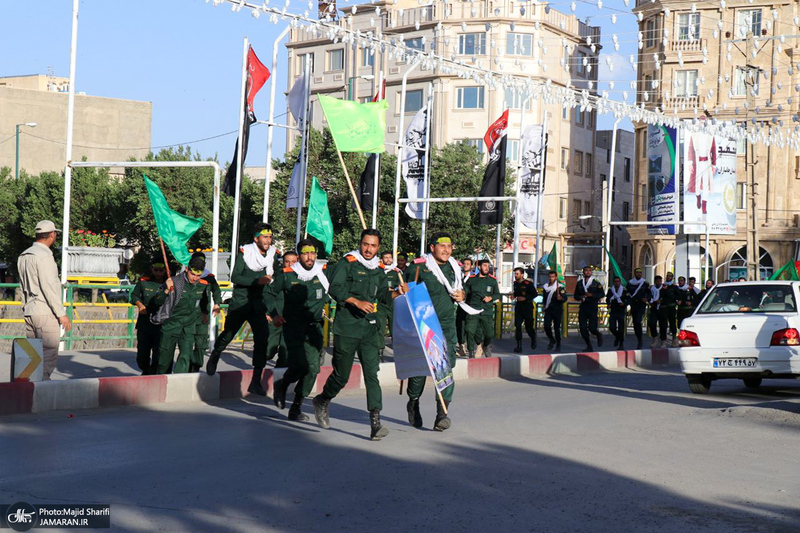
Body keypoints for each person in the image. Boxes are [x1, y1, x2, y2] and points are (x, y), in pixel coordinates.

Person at [312, 229, 403, 440]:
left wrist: (398, 293)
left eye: (373, 246)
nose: (368, 249)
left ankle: (375, 422)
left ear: (378, 247)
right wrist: (356, 301)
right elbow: (334, 289)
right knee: (341, 376)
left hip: (370, 330)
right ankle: (323, 400)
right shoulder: (348, 262)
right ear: (360, 243)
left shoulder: (379, 269)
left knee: (372, 374)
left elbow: (382, 293)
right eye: (365, 244)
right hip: (347, 328)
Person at [404, 232, 475, 431]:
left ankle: (442, 414)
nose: (446, 250)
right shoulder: (418, 267)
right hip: (424, 323)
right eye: (441, 246)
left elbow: (460, 291)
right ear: (432, 247)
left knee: (445, 367)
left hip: (446, 325)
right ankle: (413, 401)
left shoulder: (455, 267)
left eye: (449, 246)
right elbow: (406, 293)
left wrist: (463, 294)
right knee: (421, 368)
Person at [206, 223, 280, 397]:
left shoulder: (271, 256)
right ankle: (216, 352)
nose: (268, 240)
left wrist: (273, 310)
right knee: (229, 333)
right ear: (256, 239)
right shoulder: (245, 253)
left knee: (262, 340)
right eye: (265, 237)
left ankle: (256, 380)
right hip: (241, 302)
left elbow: (273, 280)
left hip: (258, 305)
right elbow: (235, 277)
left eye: (270, 237)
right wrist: (257, 280)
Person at [271, 240, 330, 422]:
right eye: (305, 253)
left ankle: (295, 407)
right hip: (294, 327)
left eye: (313, 253)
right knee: (300, 365)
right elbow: (270, 292)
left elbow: (338, 290)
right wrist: (274, 314)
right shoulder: (288, 274)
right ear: (299, 256)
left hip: (314, 329)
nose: (310, 257)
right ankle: (283, 384)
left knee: (313, 370)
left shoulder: (322, 273)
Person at [16, 220, 72, 380]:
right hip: (45, 311)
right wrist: (61, 313)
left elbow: (22, 285)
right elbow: (49, 287)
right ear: (52, 235)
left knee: (32, 356)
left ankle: (28, 389)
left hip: (30, 311)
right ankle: (41, 389)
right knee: (48, 354)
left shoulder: (24, 255)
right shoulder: (44, 256)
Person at [151, 254, 209, 374]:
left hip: (188, 326)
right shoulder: (174, 282)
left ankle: (178, 383)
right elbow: (157, 302)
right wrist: (166, 289)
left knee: (185, 356)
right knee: (164, 362)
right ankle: (163, 382)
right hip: (171, 325)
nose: (195, 278)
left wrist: (205, 312)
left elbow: (204, 300)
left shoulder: (202, 285)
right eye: (193, 274)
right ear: (187, 269)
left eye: (198, 275)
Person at [130, 257, 168, 375]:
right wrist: (140, 305)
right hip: (145, 323)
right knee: (142, 355)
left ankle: (152, 374)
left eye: (160, 271)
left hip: (161, 323)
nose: (158, 273)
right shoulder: (144, 281)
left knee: (158, 354)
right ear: (152, 269)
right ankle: (145, 370)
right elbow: (134, 295)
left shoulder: (169, 283)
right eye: (156, 270)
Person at [189, 252, 222, 373]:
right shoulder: (186, 276)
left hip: (202, 315)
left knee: (200, 343)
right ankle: (186, 366)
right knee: (187, 344)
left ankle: (195, 367)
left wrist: (217, 304)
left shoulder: (208, 277)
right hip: (187, 315)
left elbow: (216, 291)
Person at [266, 250, 297, 369]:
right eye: (287, 262)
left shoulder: (304, 277)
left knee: (285, 355)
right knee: (267, 352)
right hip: (275, 319)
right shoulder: (276, 277)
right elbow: (267, 295)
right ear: (283, 263)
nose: (290, 265)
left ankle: (278, 380)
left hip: (291, 322)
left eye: (293, 262)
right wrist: (268, 313)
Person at [464, 259, 501, 358]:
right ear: (479, 267)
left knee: (489, 334)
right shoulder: (471, 279)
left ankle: (486, 345)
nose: (487, 268)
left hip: (486, 311)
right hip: (473, 310)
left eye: (488, 266)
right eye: (484, 266)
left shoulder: (492, 281)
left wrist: (491, 298)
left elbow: (498, 295)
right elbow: (465, 291)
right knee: (469, 330)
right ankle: (471, 351)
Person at [377, 250, 403, 362]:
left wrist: (394, 290)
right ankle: (379, 351)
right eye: (385, 257)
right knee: (380, 328)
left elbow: (401, 286)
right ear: (381, 259)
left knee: (395, 329)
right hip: (381, 304)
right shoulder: (378, 271)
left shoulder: (396, 272)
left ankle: (397, 352)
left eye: (390, 257)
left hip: (393, 304)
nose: (388, 259)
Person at [573, 266, 604, 351]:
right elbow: (575, 296)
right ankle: (589, 346)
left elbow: (602, 294)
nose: (588, 272)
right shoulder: (579, 283)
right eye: (586, 271)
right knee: (583, 329)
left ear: (591, 272)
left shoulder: (596, 283)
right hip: (583, 307)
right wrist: (580, 297)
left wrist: (592, 295)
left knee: (592, 328)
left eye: (589, 271)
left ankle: (598, 335)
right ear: (583, 272)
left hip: (592, 307)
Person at [511, 267, 537, 353]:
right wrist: (513, 295)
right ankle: (519, 345)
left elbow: (534, 294)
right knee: (518, 326)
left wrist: (525, 298)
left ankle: (533, 338)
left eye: (517, 274)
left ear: (522, 274)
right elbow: (517, 293)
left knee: (528, 327)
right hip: (519, 307)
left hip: (527, 307)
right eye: (515, 274)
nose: (515, 275)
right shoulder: (515, 283)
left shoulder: (528, 283)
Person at [541, 270, 566, 351]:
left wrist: (561, 298)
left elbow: (565, 297)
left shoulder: (560, 287)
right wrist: (544, 305)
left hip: (557, 309)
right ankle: (552, 339)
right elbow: (544, 298)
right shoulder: (545, 286)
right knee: (546, 326)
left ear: (556, 277)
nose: (551, 278)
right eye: (550, 276)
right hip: (548, 309)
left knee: (556, 328)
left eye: (553, 277)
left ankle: (558, 344)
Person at [627, 268, 650, 350]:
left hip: (641, 304)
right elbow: (628, 293)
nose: (639, 274)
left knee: (638, 321)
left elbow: (649, 293)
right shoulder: (630, 283)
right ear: (635, 273)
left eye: (640, 273)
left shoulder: (645, 283)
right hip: (634, 304)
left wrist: (647, 298)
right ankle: (638, 337)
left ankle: (640, 339)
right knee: (635, 323)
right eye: (637, 273)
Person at [455, 257, 474, 356]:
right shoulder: (458, 276)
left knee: (469, 327)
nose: (465, 265)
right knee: (460, 326)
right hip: (460, 305)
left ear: (471, 266)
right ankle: (462, 346)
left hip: (470, 306)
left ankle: (473, 346)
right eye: (464, 263)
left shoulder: (474, 278)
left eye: (468, 264)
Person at [606, 276, 630, 350]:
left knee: (621, 329)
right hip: (613, 310)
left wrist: (624, 304)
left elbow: (629, 299)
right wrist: (608, 304)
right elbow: (608, 298)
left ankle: (621, 343)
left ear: (620, 282)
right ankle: (617, 337)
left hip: (621, 310)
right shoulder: (611, 290)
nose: (617, 283)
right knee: (612, 327)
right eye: (615, 281)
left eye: (618, 281)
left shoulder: (624, 290)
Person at [648, 275, 668, 348]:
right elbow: (649, 296)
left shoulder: (664, 289)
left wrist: (661, 301)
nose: (659, 282)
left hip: (662, 308)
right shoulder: (651, 289)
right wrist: (650, 300)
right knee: (651, 323)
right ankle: (655, 338)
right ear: (655, 281)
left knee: (663, 325)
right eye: (657, 281)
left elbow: (668, 297)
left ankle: (663, 340)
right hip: (654, 308)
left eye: (660, 281)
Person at [660, 274, 679, 346]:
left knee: (672, 323)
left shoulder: (674, 287)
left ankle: (674, 338)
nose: (669, 278)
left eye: (670, 276)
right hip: (664, 307)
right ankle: (663, 340)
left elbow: (677, 295)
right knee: (663, 324)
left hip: (671, 307)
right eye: (668, 276)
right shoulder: (663, 286)